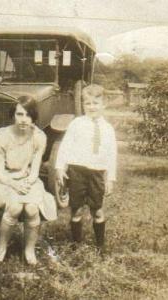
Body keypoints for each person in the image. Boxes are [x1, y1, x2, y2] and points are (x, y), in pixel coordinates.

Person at [0, 95, 57, 264]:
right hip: (4, 180)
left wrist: (26, 183)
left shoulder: (39, 137)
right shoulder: (2, 135)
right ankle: (1, 246)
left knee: (32, 209)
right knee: (15, 207)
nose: (23, 120)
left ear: (33, 117)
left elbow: (34, 171)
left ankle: (29, 250)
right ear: (13, 115)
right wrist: (14, 184)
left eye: (28, 115)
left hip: (27, 179)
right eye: (20, 114)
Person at [55, 84, 117, 251]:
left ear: (104, 104)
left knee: (97, 210)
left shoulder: (108, 129)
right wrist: (60, 168)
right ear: (83, 105)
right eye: (88, 103)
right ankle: (76, 244)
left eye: (96, 103)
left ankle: (100, 245)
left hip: (97, 173)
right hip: (77, 170)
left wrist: (110, 178)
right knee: (76, 210)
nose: (92, 107)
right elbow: (65, 146)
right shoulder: (77, 124)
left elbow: (112, 155)